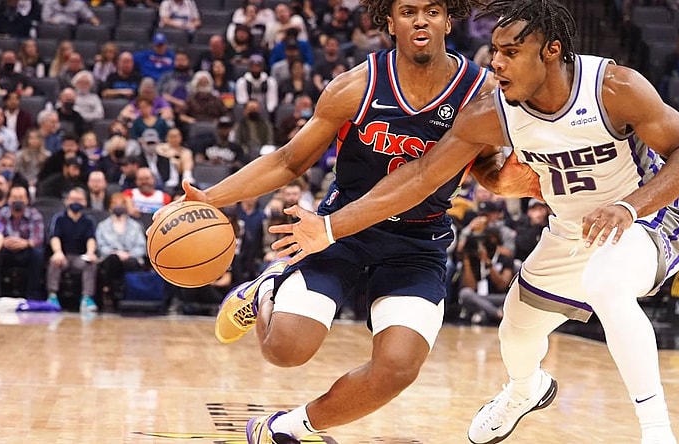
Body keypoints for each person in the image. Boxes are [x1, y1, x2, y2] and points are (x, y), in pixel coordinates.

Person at [268, 1, 679, 443]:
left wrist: (629, 206)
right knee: (516, 327)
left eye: (511, 52)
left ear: (551, 51)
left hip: (648, 217)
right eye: (495, 50)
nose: (496, 62)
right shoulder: (490, 110)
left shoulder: (614, 87)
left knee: (606, 283)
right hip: (572, 228)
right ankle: (524, 391)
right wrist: (330, 227)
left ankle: (657, 432)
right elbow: (421, 176)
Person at [157, 0, 492, 442]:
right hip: (339, 233)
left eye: (432, 10)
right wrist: (210, 197)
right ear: (388, 21)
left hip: (418, 241)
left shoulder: (481, 92)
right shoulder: (355, 87)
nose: (421, 20)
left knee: (397, 369)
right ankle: (265, 291)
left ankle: (287, 429)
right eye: (408, 10)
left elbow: (488, 166)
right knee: (285, 351)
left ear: (449, 20)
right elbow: (289, 160)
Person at [46, 187, 98, 312]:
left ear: (85, 202)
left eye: (79, 200)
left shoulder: (88, 221)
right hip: (63, 255)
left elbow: (91, 239)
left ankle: (87, 298)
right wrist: (57, 252)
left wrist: (90, 253)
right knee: (54, 262)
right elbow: (55, 237)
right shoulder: (59, 218)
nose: (76, 202)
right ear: (67, 201)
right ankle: (52, 296)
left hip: (79, 256)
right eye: (73, 199)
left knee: (90, 263)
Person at [95, 192, 146, 305]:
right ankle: (111, 292)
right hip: (111, 258)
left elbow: (141, 246)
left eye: (121, 203)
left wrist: (129, 254)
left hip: (131, 258)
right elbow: (101, 246)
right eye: (115, 203)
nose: (118, 206)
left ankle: (130, 294)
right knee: (113, 259)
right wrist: (116, 253)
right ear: (110, 206)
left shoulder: (136, 226)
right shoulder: (102, 226)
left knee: (131, 262)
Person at [0, 184, 44, 299]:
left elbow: (39, 239)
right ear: (8, 199)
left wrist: (25, 243)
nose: (18, 200)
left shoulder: (35, 215)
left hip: (25, 251)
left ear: (27, 200)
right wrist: (2, 241)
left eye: (21, 198)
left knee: (37, 254)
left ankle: (33, 296)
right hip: (5, 250)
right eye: (15, 197)